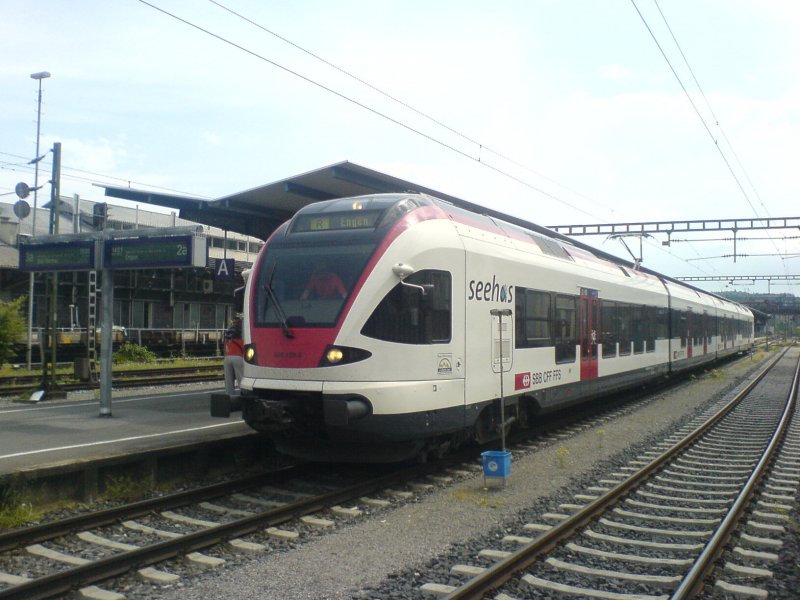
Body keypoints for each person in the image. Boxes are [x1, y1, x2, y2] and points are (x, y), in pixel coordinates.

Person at [223, 316, 244, 396]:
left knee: (228, 378)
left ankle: (229, 395)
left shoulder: (229, 342)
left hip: (227, 358)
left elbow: (225, 344)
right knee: (240, 377)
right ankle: (243, 392)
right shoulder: (242, 341)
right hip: (238, 358)